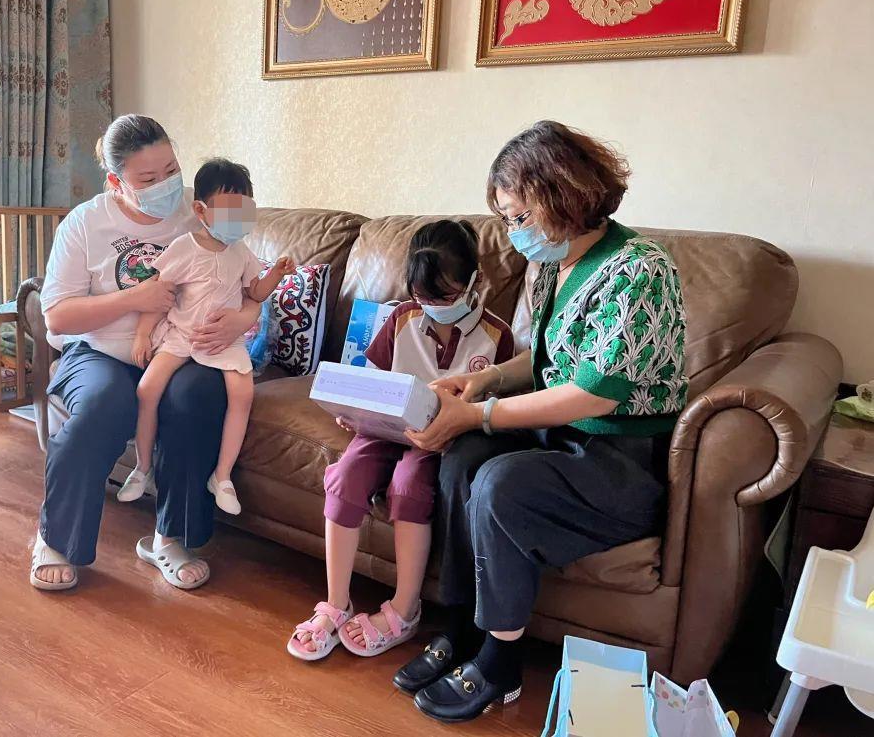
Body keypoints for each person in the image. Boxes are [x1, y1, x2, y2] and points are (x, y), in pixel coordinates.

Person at [395, 121, 687, 723]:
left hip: (618, 460)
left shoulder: (639, 270)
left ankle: (501, 661)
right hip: (561, 437)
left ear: (565, 196)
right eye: (506, 219)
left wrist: (479, 413)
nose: (513, 233)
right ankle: (461, 625)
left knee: (501, 483)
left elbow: (592, 393)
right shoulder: (559, 265)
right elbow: (547, 359)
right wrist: (483, 382)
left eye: (520, 217)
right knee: (463, 457)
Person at [29, 115, 261, 593]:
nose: (166, 185)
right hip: (100, 352)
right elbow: (57, 317)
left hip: (180, 350)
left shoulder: (199, 214)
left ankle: (170, 538)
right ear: (117, 182)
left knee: (196, 396)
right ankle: (56, 540)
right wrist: (135, 298)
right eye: (149, 179)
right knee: (103, 404)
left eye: (171, 170)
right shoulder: (86, 223)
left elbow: (248, 284)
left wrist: (241, 319)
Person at [287, 220, 514, 661]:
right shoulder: (402, 317)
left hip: (438, 439)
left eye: (444, 298)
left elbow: (494, 410)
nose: (432, 307)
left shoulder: (497, 337)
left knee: (408, 485)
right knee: (346, 476)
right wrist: (353, 409)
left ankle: (405, 609)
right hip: (385, 427)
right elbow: (373, 379)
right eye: (422, 297)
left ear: (474, 281)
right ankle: (336, 603)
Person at [117, 159, 294, 527]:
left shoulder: (241, 251)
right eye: (229, 208)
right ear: (201, 210)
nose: (238, 217)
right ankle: (143, 467)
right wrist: (143, 334)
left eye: (245, 207)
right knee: (148, 389)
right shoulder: (184, 247)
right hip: (181, 335)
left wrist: (276, 274)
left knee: (242, 394)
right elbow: (159, 294)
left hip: (224, 341)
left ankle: (222, 476)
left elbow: (255, 293)